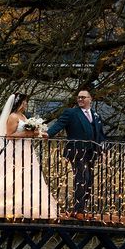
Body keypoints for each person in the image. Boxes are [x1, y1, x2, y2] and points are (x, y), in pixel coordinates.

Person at [47, 89, 106, 220]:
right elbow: (59, 125)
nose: (80, 99)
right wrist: (48, 134)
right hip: (76, 151)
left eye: (83, 97)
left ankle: (82, 208)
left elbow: (101, 134)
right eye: (79, 97)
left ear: (90, 99)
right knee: (82, 178)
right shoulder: (71, 113)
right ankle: (78, 210)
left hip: (92, 151)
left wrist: (102, 151)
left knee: (89, 180)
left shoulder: (95, 114)